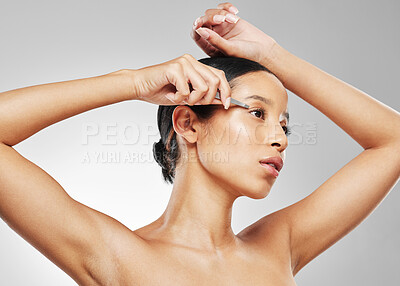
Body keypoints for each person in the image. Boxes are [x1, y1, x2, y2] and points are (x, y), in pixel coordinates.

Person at [0, 2, 399, 285]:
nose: (280, 139)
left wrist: (272, 56)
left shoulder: (280, 248)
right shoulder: (117, 257)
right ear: (188, 123)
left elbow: (393, 141)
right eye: (258, 114)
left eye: (285, 126)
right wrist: (131, 82)